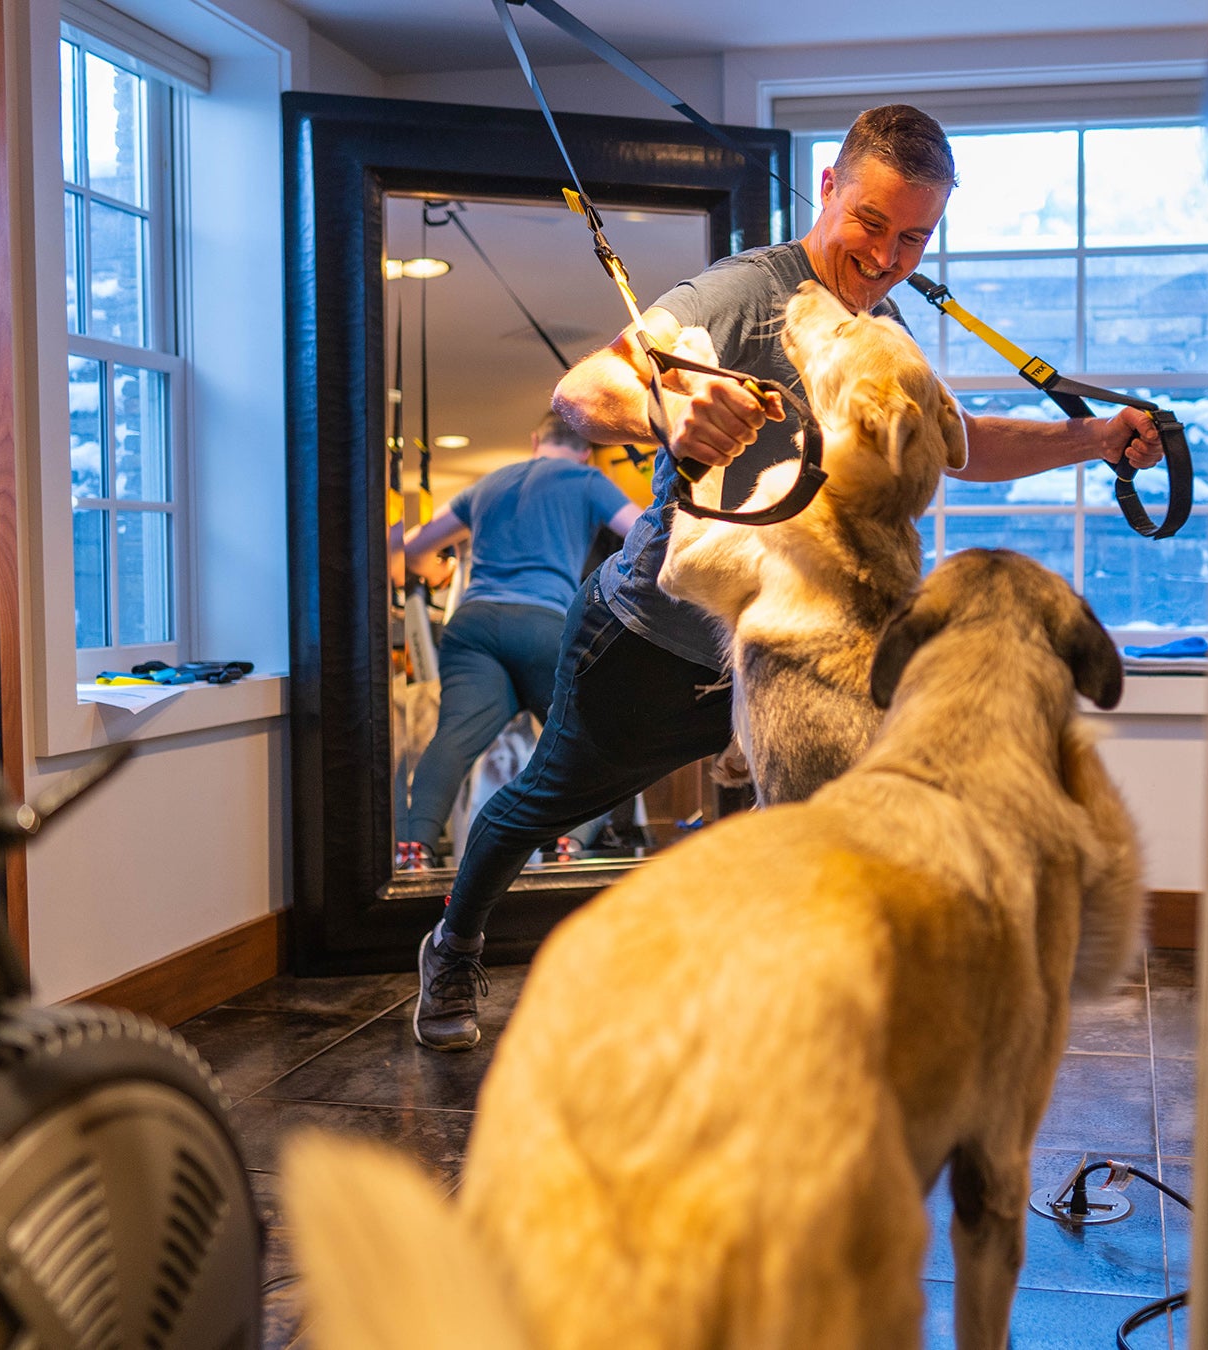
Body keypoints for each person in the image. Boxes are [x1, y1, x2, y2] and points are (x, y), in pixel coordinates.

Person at [412, 104, 1164, 1051]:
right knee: (539, 802)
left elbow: (958, 444)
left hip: (779, 660)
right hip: (655, 643)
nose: (889, 255)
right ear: (828, 190)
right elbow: (583, 391)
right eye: (873, 224)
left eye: (914, 237)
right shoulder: (748, 294)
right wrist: (666, 407)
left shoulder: (880, 325)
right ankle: (453, 947)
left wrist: (1092, 437)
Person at [396, 410, 641, 872]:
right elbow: (645, 535)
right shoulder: (587, 480)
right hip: (543, 625)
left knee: (453, 739)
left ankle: (414, 849)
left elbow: (414, 548)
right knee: (597, 740)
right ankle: (570, 841)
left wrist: (441, 567)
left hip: (473, 627)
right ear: (587, 449)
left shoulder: (488, 483)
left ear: (535, 441)